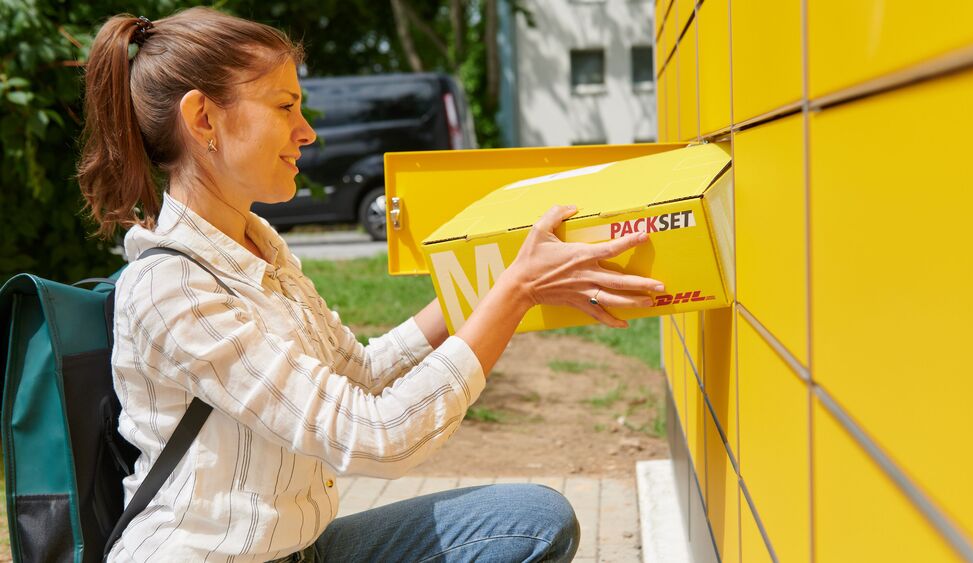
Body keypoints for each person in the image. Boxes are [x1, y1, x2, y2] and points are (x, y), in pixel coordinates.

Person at [79, 7, 663, 562]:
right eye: (285, 106)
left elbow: (358, 372)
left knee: (533, 520)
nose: (306, 132)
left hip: (301, 549)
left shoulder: (262, 252)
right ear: (203, 118)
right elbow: (377, 436)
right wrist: (515, 295)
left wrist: (490, 289)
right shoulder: (171, 286)